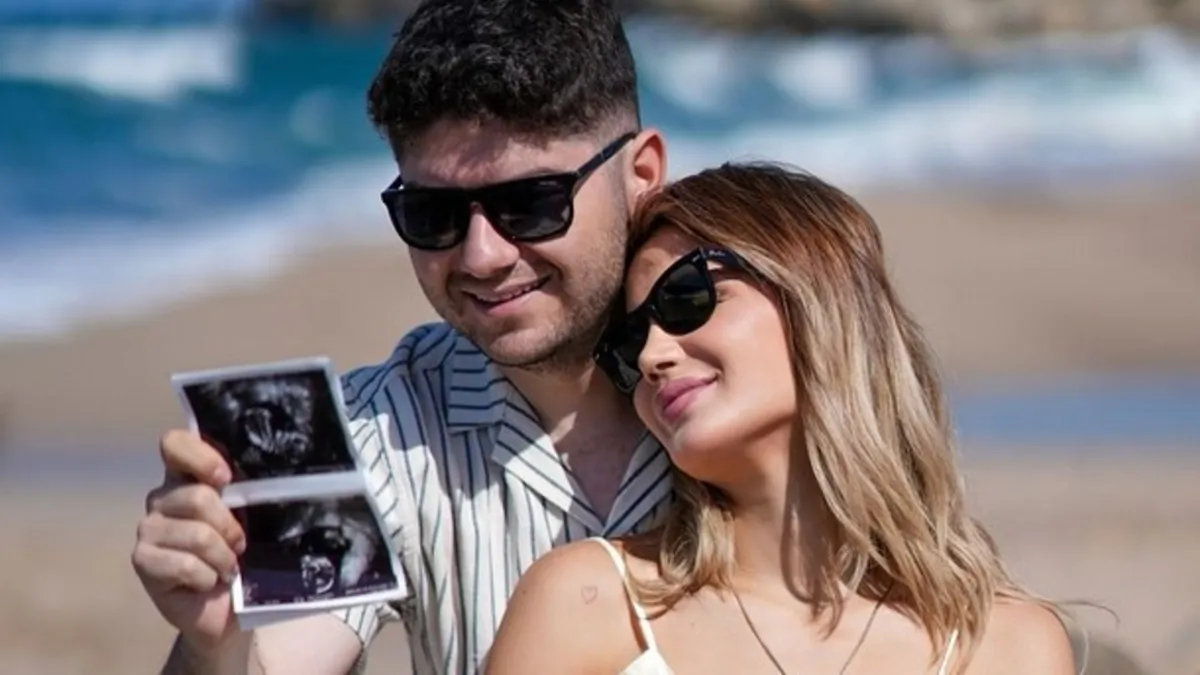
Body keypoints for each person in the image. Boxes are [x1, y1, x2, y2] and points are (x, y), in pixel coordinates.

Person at [130, 1, 671, 673]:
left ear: (641, 175)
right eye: (433, 214)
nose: (482, 256)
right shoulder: (371, 429)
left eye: (530, 203)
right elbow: (280, 658)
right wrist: (215, 642)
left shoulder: (757, 378)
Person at [483, 162, 1080, 675]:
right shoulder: (588, 604)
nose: (651, 355)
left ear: (817, 293)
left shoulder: (1009, 647)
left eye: (686, 299)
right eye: (628, 342)